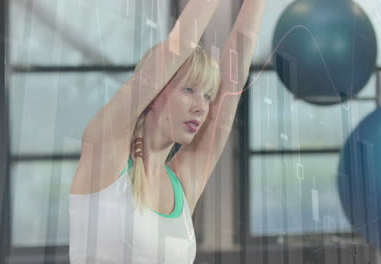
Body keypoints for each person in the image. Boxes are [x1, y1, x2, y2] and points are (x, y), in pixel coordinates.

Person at [69, 0, 265, 263]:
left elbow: (232, 84)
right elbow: (181, 43)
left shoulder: (182, 183)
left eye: (207, 96)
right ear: (153, 91)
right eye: (188, 90)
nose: (201, 108)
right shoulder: (105, 150)